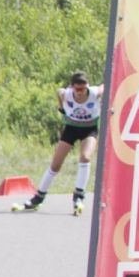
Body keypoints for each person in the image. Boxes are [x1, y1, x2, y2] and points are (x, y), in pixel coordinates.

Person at [15, 71, 101, 215]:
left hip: (89, 130)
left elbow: (106, 86)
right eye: (77, 89)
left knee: (85, 157)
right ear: (72, 87)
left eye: (83, 89)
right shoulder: (66, 94)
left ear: (87, 87)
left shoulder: (94, 93)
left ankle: (78, 197)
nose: (80, 92)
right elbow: (59, 91)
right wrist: (61, 107)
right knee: (56, 164)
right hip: (71, 129)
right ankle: (38, 198)